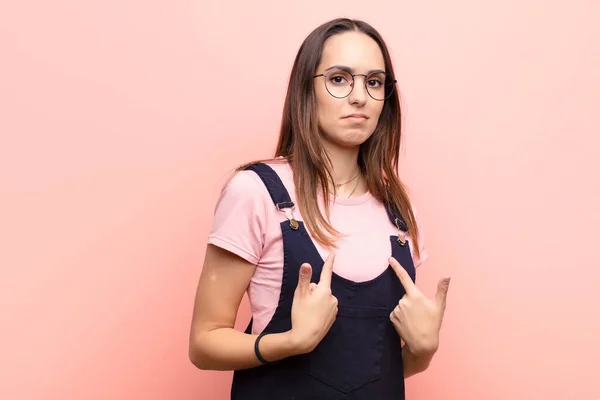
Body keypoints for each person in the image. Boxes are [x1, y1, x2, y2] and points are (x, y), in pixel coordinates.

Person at [188, 17, 451, 400]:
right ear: (306, 90)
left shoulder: (399, 211)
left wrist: (423, 351)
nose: (359, 96)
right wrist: (291, 342)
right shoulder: (256, 192)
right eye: (340, 79)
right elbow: (203, 343)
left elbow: (374, 371)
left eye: (374, 82)